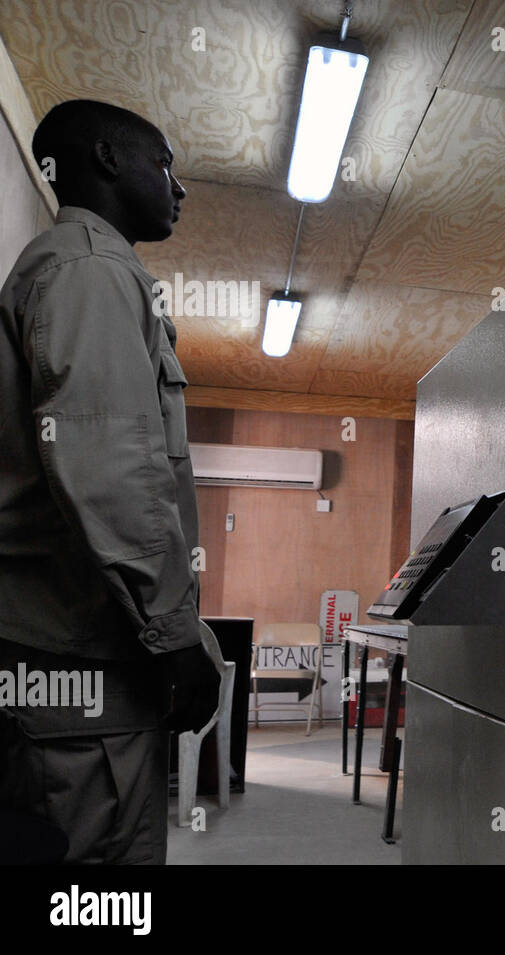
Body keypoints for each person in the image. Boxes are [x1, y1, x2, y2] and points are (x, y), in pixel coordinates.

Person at [0, 99, 220, 864]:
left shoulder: (85, 269)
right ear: (106, 158)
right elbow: (112, 474)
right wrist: (174, 636)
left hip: (68, 660)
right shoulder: (91, 271)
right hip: (83, 663)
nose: (178, 188)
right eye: (164, 163)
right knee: (103, 884)